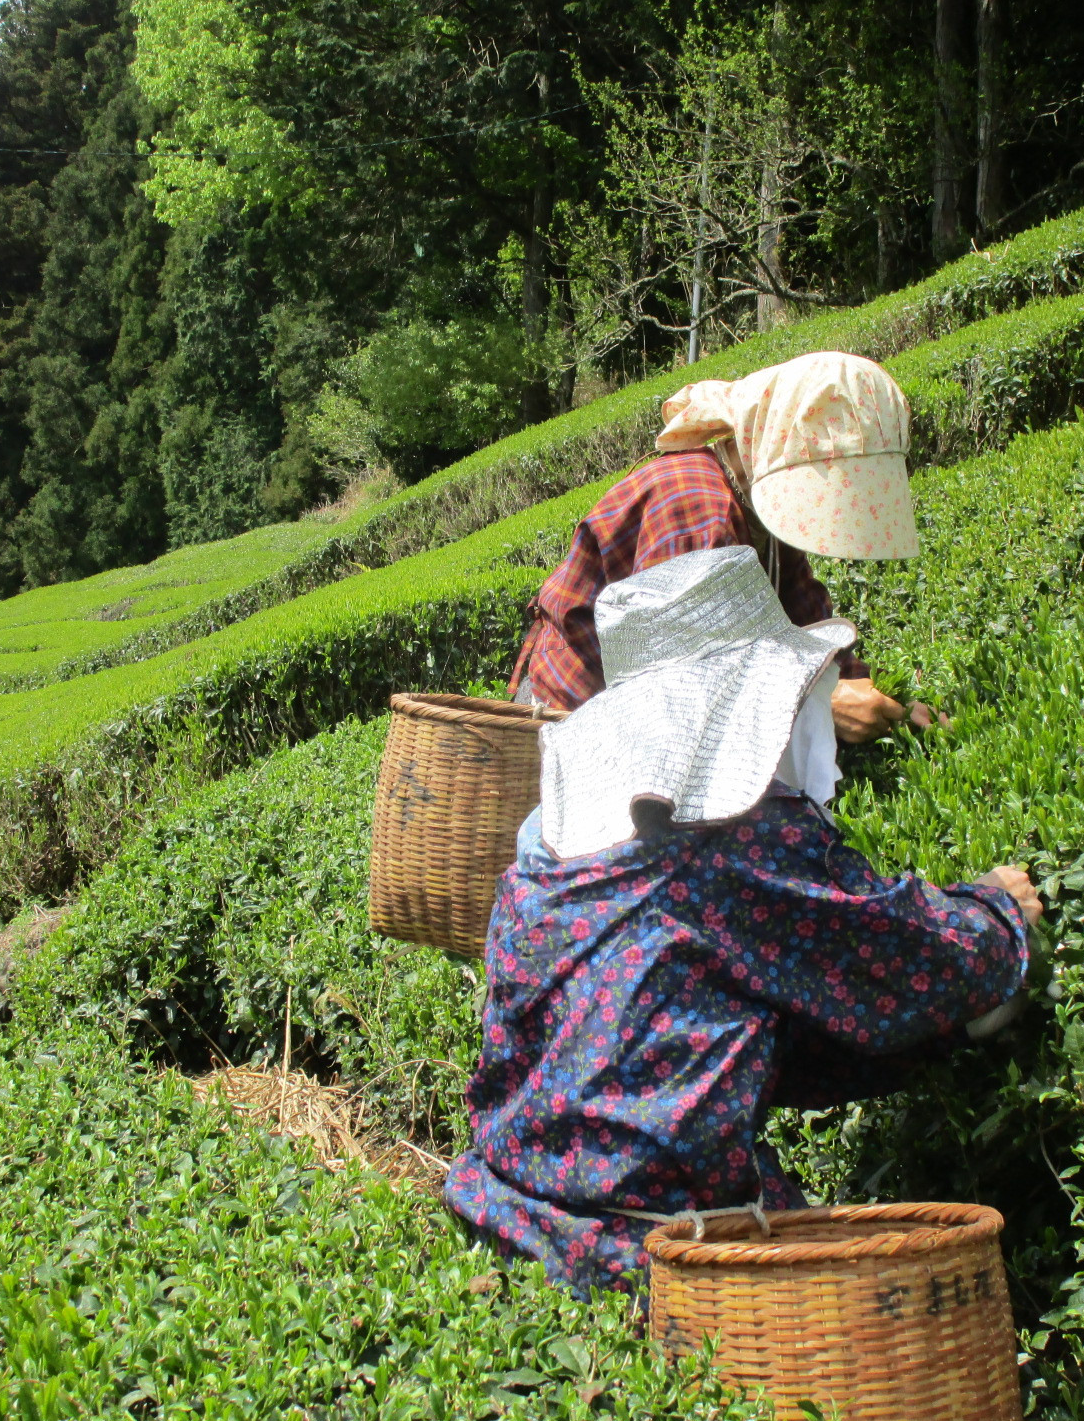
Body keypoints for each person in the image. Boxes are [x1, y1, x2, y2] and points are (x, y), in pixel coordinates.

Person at [444, 545, 1042, 1295]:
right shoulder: (730, 843)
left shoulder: (547, 842)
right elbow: (913, 958)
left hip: (499, 1206)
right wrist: (996, 911)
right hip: (652, 1253)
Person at [510, 349, 941, 739]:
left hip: (644, 717)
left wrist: (871, 692)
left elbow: (802, 610)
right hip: (572, 719)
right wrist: (821, 705)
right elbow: (686, 684)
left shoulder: (755, 499)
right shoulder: (695, 510)